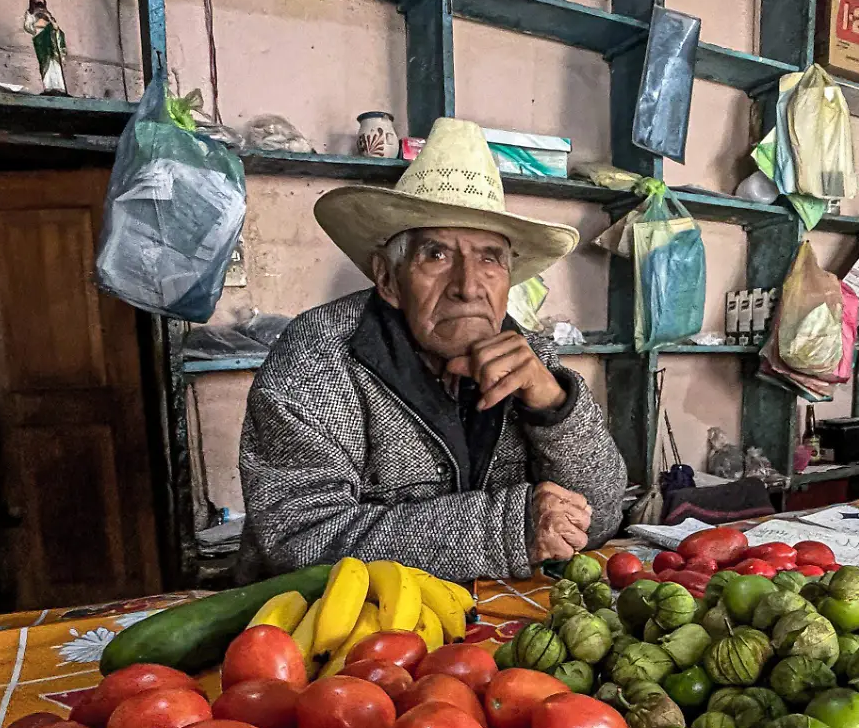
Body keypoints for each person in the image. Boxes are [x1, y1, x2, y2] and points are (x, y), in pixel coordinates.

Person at [238, 118, 628, 581]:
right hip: (346, 631)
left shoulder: (527, 356)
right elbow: (298, 541)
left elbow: (599, 519)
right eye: (437, 255)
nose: (467, 287)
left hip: (486, 626)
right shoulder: (316, 360)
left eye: (489, 257)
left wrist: (554, 406)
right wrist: (505, 529)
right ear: (387, 278)